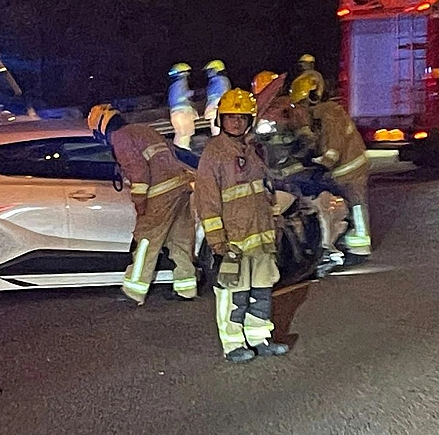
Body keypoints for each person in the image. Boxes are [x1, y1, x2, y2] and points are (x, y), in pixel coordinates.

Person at [192, 88, 290, 363]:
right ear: (220, 120)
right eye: (230, 117)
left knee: (260, 292)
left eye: (241, 117)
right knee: (233, 295)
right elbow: (207, 201)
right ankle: (233, 344)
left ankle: (260, 338)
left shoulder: (254, 150)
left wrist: (276, 223)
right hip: (233, 241)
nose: (236, 122)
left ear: (250, 120)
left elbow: (266, 191)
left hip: (261, 238)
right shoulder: (214, 153)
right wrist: (218, 243)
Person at [87, 104, 198, 305]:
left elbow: (138, 171)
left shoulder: (120, 137)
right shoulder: (144, 130)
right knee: (180, 240)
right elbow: (176, 154)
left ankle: (134, 291)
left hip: (160, 194)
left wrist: (140, 202)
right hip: (181, 189)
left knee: (146, 242)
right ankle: (186, 289)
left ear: (101, 128)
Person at [289, 74, 372, 260]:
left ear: (313, 96)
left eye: (302, 103)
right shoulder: (320, 114)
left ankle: (361, 245)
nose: (300, 108)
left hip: (351, 169)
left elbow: (334, 148)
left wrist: (321, 164)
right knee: (348, 204)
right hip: (343, 169)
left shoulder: (330, 113)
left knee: (357, 204)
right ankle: (347, 237)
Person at [167, 63, 196, 150]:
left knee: (182, 134)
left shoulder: (174, 86)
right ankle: (182, 153)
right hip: (182, 112)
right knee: (184, 134)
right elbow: (181, 97)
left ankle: (181, 152)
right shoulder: (179, 84)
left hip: (179, 112)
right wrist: (193, 93)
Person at [203, 60, 231, 136]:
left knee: (217, 131)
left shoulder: (219, 81)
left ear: (216, 69)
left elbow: (216, 98)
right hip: (218, 110)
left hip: (216, 110)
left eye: (210, 70)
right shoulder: (219, 80)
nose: (208, 73)